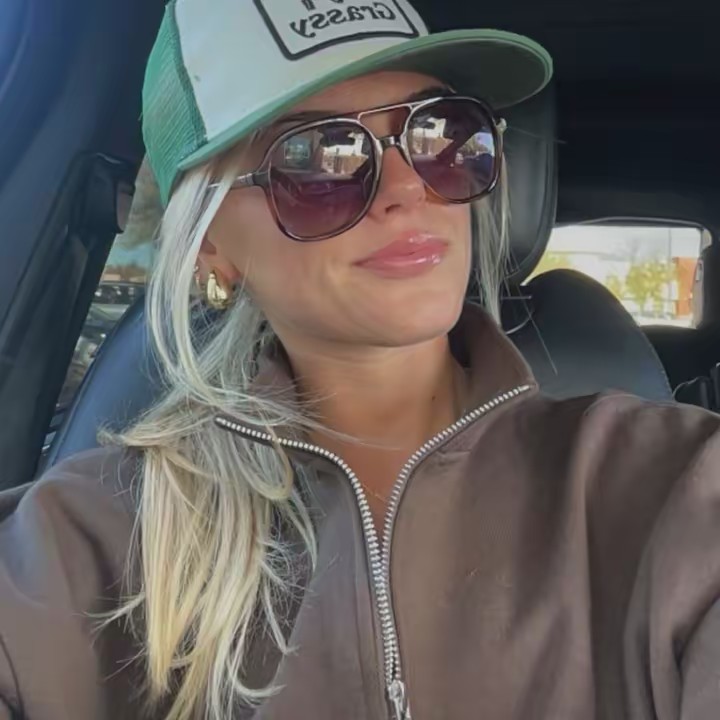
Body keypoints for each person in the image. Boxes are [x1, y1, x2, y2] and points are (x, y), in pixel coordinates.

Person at [1, 0, 719, 719]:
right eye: (319, 158)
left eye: (440, 133)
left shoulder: (671, 485)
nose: (407, 189)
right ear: (212, 243)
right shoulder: (85, 541)